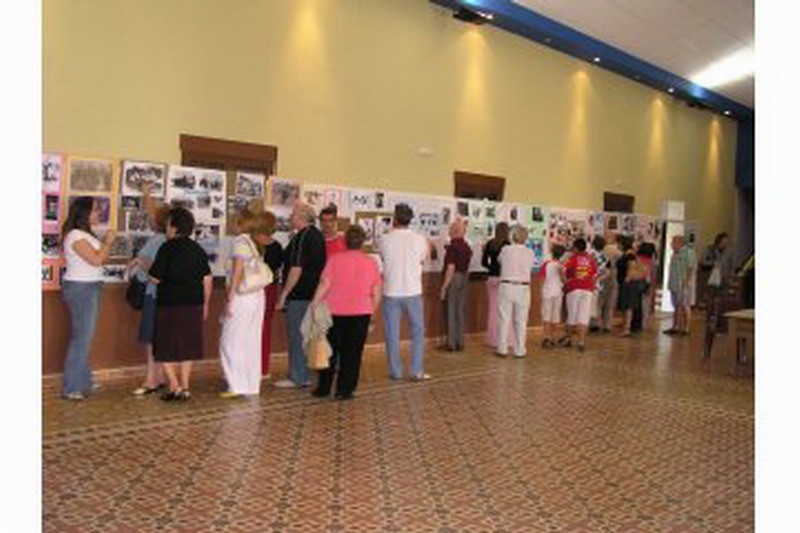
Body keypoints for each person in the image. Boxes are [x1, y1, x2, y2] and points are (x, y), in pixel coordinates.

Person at [310, 225, 382, 400]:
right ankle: (345, 390)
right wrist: (372, 311)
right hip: (361, 312)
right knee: (353, 353)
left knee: (330, 351)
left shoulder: (334, 259)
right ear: (362, 242)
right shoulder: (371, 262)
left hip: (335, 312)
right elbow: (377, 289)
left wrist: (314, 304)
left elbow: (324, 284)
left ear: (345, 241)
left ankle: (324, 388)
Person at [148, 207, 212, 401]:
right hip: (194, 305)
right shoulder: (197, 249)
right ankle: (185, 387)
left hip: (170, 305)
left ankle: (174, 386)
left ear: (174, 227)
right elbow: (207, 279)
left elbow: (155, 278)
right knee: (188, 346)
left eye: (168, 224)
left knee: (165, 345)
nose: (166, 228)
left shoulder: (167, 248)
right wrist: (206, 305)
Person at [60, 197, 116, 400]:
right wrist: (108, 242)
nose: (98, 214)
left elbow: (100, 259)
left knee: (84, 336)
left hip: (89, 286)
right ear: (84, 213)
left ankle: (84, 382)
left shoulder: (84, 234)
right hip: (81, 288)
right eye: (95, 210)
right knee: (82, 338)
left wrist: (105, 245)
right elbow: (97, 260)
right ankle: (71, 387)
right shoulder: (76, 235)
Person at [219, 209, 274, 398]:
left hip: (243, 297)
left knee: (230, 341)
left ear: (239, 223)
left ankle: (236, 384)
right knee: (251, 340)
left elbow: (237, 271)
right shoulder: (254, 242)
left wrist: (229, 298)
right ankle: (251, 385)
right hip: (258, 295)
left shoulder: (239, 242)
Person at [275, 203, 326, 389]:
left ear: (302, 217)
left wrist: (284, 295)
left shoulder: (302, 237)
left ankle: (298, 376)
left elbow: (296, 269)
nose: (290, 218)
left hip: (299, 295)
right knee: (306, 336)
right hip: (312, 294)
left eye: (293, 215)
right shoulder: (317, 235)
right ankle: (304, 373)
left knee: (297, 336)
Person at [378, 203, 431, 380]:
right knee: (417, 331)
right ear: (410, 220)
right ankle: (416, 370)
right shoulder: (419, 239)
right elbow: (423, 258)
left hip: (391, 291)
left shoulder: (384, 239)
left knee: (392, 333)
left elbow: (384, 258)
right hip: (413, 291)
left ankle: (395, 371)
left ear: (394, 218)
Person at [128, 201, 170, 396]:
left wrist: (136, 265)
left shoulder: (155, 241)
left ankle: (151, 379)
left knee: (151, 338)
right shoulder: (171, 241)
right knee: (161, 336)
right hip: (168, 297)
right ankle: (160, 376)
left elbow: (146, 268)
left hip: (153, 293)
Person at [496, 225, 536, 358]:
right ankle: (519, 350)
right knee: (521, 320)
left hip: (506, 285)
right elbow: (531, 266)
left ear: (512, 236)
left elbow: (499, 261)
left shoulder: (506, 250)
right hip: (523, 287)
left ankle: (502, 349)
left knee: (504, 319)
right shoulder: (530, 252)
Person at [440, 219, 472, 352]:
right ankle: (460, 341)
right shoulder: (467, 247)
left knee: (451, 310)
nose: (448, 231)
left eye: (450, 229)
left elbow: (451, 267)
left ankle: (451, 343)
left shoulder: (453, 247)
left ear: (454, 231)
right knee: (460, 310)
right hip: (465, 277)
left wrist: (444, 286)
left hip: (454, 278)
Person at [563, 238, 597, 352]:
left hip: (574, 288)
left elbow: (566, 271)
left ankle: (568, 339)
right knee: (583, 317)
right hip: (588, 289)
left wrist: (566, 281)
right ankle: (581, 342)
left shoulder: (572, 258)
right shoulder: (590, 259)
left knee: (572, 315)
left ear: (576, 248)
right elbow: (593, 273)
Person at [260, 212, 283, 380]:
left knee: (255, 328)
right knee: (265, 327)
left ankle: (256, 367)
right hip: (271, 288)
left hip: (258, 289)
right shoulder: (277, 247)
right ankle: (264, 368)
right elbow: (277, 269)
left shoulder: (254, 245)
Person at [481, 222, 510, 348]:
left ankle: (492, 339)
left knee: (492, 309)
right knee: (503, 311)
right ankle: (503, 339)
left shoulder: (490, 244)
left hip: (491, 278)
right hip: (503, 279)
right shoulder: (508, 245)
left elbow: (483, 262)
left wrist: (491, 268)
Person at [699, 232, 736, 329]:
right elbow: (702, 261)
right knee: (711, 300)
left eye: (727, 241)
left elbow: (732, 266)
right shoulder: (710, 249)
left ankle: (721, 322)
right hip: (712, 278)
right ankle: (710, 320)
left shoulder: (730, 251)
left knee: (723, 301)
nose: (725, 243)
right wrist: (712, 263)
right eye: (724, 241)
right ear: (719, 240)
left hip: (724, 278)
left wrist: (731, 277)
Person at [664, 235, 696, 336]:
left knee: (685, 305)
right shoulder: (674, 253)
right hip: (674, 283)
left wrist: (686, 282)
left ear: (680, 243)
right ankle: (675, 326)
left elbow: (690, 268)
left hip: (683, 284)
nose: (672, 244)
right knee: (676, 306)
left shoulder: (689, 253)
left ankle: (686, 328)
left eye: (673, 242)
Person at [538, 244, 565, 349]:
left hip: (547, 292)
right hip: (558, 292)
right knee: (555, 316)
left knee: (546, 315)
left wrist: (540, 292)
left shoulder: (547, 264)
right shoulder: (561, 266)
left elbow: (541, 279)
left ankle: (547, 337)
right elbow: (564, 280)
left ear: (552, 253)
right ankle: (553, 337)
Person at [616, 236, 644, 337]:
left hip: (629, 284)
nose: (617, 245)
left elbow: (631, 266)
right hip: (627, 283)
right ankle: (626, 327)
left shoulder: (629, 254)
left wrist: (627, 278)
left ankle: (626, 328)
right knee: (625, 306)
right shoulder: (629, 253)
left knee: (627, 306)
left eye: (618, 243)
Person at [632, 242, 657, 332]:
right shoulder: (652, 261)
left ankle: (634, 323)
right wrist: (652, 287)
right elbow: (653, 275)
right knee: (645, 304)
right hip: (646, 283)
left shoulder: (637, 258)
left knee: (635, 304)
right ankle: (643, 324)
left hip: (636, 282)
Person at [588, 236, 611, 333]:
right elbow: (608, 272)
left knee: (586, 306)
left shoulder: (588, 254)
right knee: (596, 305)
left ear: (593, 244)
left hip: (585, 283)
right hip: (598, 284)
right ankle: (594, 324)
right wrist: (598, 278)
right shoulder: (605, 258)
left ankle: (586, 324)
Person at [600, 233, 622, 332]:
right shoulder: (617, 251)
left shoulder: (604, 249)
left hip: (601, 276)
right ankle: (607, 324)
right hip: (613, 275)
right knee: (610, 302)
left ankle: (595, 322)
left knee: (600, 301)